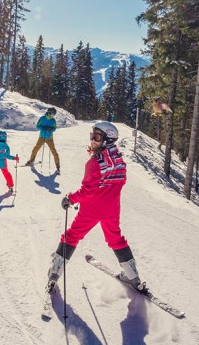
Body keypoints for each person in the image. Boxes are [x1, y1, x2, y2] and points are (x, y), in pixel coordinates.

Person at [44, 121, 144, 293]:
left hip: (91, 210)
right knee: (115, 239)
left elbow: (87, 190)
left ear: (107, 140)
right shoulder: (118, 159)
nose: (92, 140)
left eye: (97, 137)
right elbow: (121, 181)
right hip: (112, 209)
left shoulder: (94, 163)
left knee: (72, 235)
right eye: (92, 136)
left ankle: (55, 273)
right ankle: (133, 277)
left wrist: (71, 198)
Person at [24, 107, 61, 173]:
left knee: (54, 151)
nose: (53, 115)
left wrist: (51, 129)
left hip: (49, 138)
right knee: (35, 149)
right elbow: (37, 126)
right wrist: (42, 128)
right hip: (41, 137)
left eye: (54, 114)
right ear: (49, 112)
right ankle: (31, 161)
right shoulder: (42, 118)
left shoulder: (53, 120)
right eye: (52, 113)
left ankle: (58, 166)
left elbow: (54, 128)